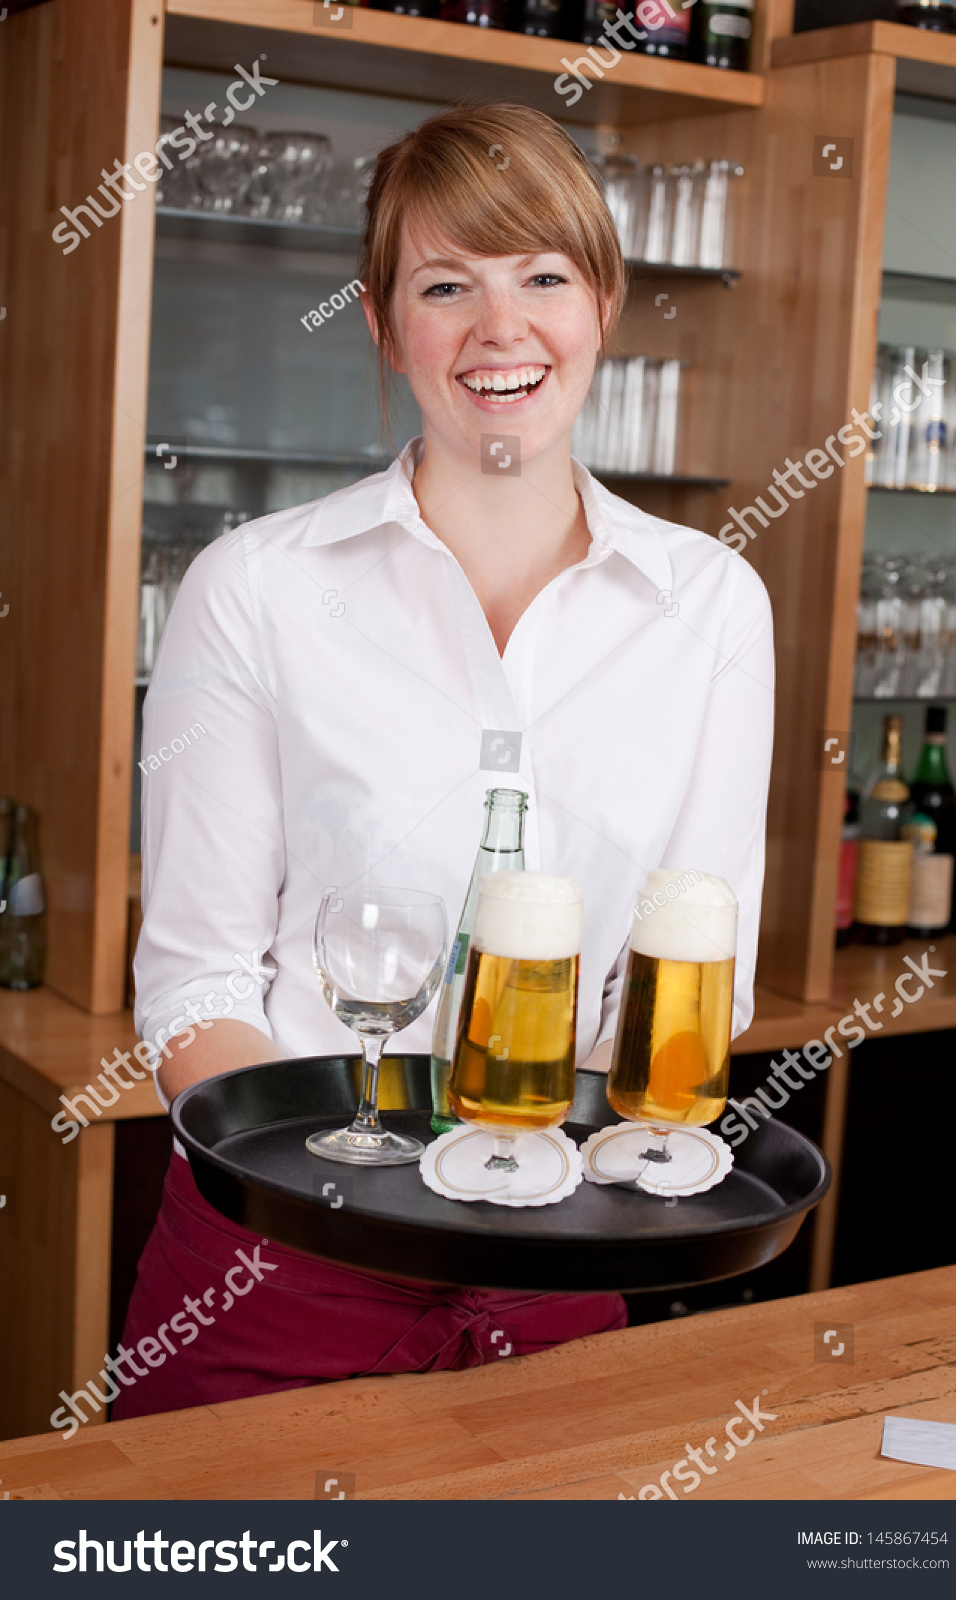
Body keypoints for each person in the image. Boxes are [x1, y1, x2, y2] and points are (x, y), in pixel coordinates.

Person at [115, 102, 773, 1422]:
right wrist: (357, 1195)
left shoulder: (708, 603)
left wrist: (516, 1182)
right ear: (378, 319)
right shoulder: (255, 587)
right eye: (444, 284)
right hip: (275, 1268)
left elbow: (694, 980)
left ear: (603, 303)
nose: (500, 328)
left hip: (564, 1255)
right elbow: (193, 983)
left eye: (541, 277)